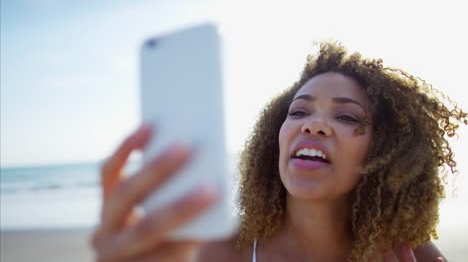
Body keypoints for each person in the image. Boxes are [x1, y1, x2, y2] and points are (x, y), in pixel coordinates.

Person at [90, 41, 466, 261]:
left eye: (348, 117)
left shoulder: (408, 253)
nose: (313, 124)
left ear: (386, 152)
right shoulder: (222, 250)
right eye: (299, 111)